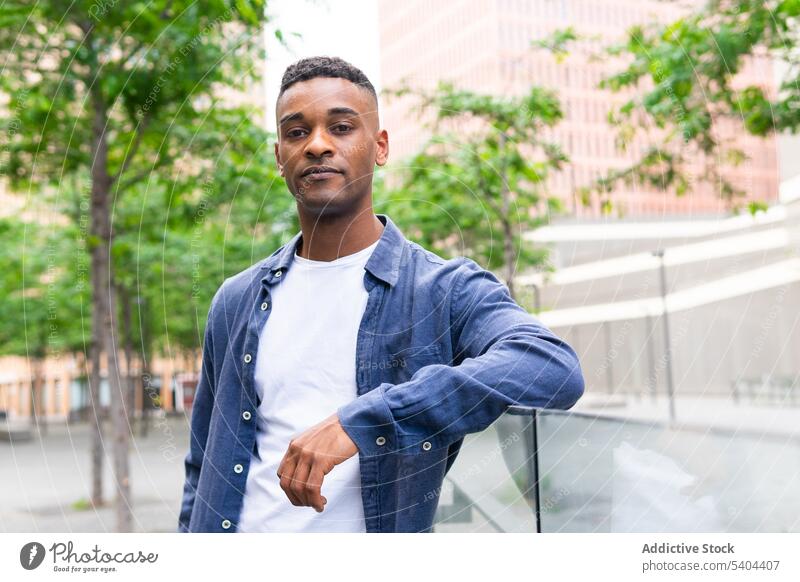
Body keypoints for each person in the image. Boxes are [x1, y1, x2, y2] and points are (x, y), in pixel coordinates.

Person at [178, 55, 584, 533]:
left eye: (342, 127)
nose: (317, 145)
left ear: (380, 147)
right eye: (296, 132)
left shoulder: (442, 289)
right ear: (279, 157)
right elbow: (203, 464)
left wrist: (364, 421)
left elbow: (553, 367)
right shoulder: (237, 299)